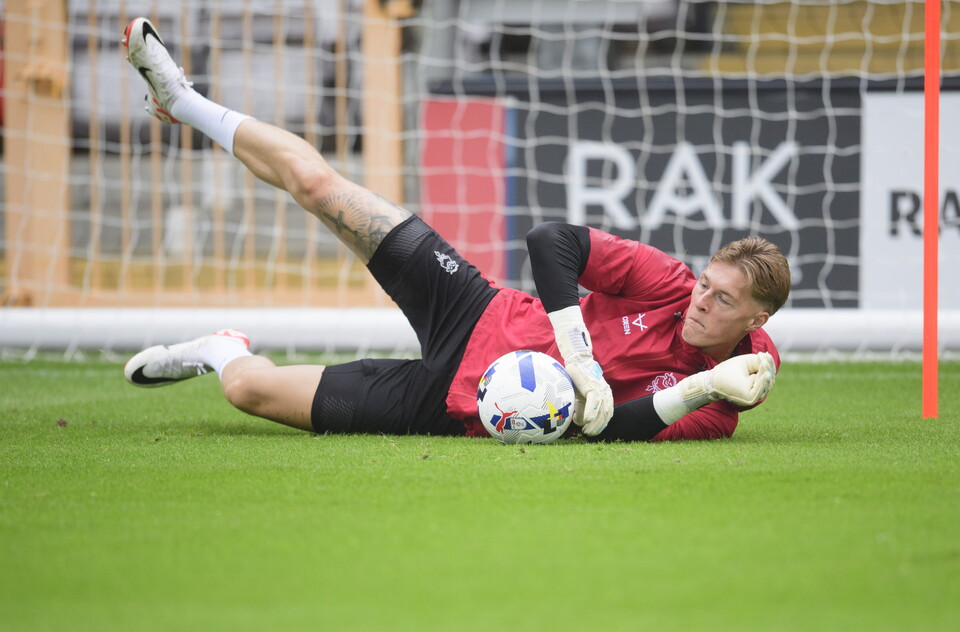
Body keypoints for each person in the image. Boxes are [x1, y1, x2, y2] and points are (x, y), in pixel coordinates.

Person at [121, 17, 789, 443]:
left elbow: (611, 434)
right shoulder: (669, 284)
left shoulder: (727, 394)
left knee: (248, 391)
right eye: (707, 284)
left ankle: (221, 347)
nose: (702, 300)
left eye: (722, 299)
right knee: (320, 188)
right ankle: (184, 100)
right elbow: (550, 241)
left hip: (448, 406)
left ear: (757, 320)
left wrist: (699, 387)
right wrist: (578, 354)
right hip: (473, 309)